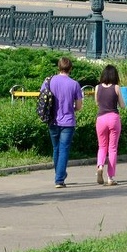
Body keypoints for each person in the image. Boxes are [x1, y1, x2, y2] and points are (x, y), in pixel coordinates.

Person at [42, 57, 83, 187]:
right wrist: (72, 109)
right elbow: (79, 106)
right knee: (64, 149)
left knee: (56, 148)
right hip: (68, 121)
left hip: (52, 120)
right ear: (70, 68)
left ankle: (59, 174)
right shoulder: (74, 84)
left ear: (58, 67)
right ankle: (59, 179)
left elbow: (42, 97)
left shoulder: (49, 81)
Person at [94, 64, 124, 186]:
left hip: (101, 118)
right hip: (113, 118)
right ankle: (110, 178)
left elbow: (97, 103)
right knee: (112, 149)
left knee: (102, 147)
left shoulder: (97, 87)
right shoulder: (116, 88)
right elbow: (122, 105)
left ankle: (100, 166)